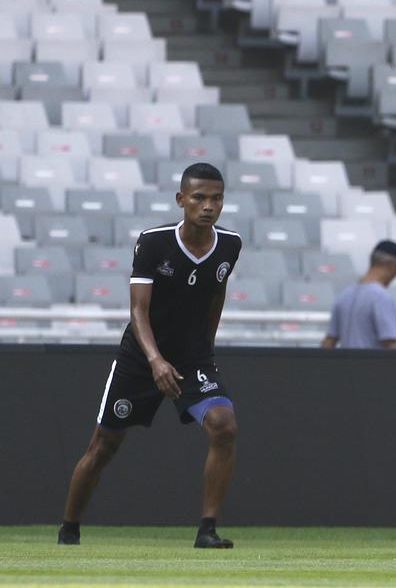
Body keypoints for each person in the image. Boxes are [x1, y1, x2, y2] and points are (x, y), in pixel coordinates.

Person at [59, 162, 243, 548]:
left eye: (216, 198)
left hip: (192, 357)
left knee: (224, 426)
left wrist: (204, 348)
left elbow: (216, 293)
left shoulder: (230, 245)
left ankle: (207, 531)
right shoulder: (154, 242)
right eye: (199, 198)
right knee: (103, 447)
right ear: (181, 200)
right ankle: (69, 529)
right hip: (142, 357)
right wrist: (156, 361)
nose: (208, 206)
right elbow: (138, 311)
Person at [321, 240, 396, 349]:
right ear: (392, 265)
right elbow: (392, 344)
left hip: (345, 365)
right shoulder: (381, 298)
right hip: (371, 365)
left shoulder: (344, 295)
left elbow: (328, 342)